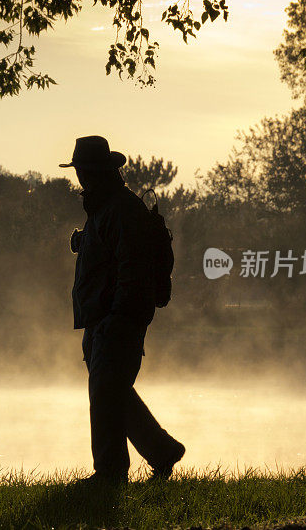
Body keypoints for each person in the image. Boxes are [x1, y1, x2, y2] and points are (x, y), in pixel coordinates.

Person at [60, 135, 185, 487]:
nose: (79, 177)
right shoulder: (108, 206)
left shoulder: (119, 209)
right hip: (104, 318)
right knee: (112, 390)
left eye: (81, 170)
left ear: (91, 171)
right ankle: (161, 451)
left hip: (117, 319)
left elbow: (132, 268)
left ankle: (110, 474)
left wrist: (117, 319)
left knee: (105, 391)